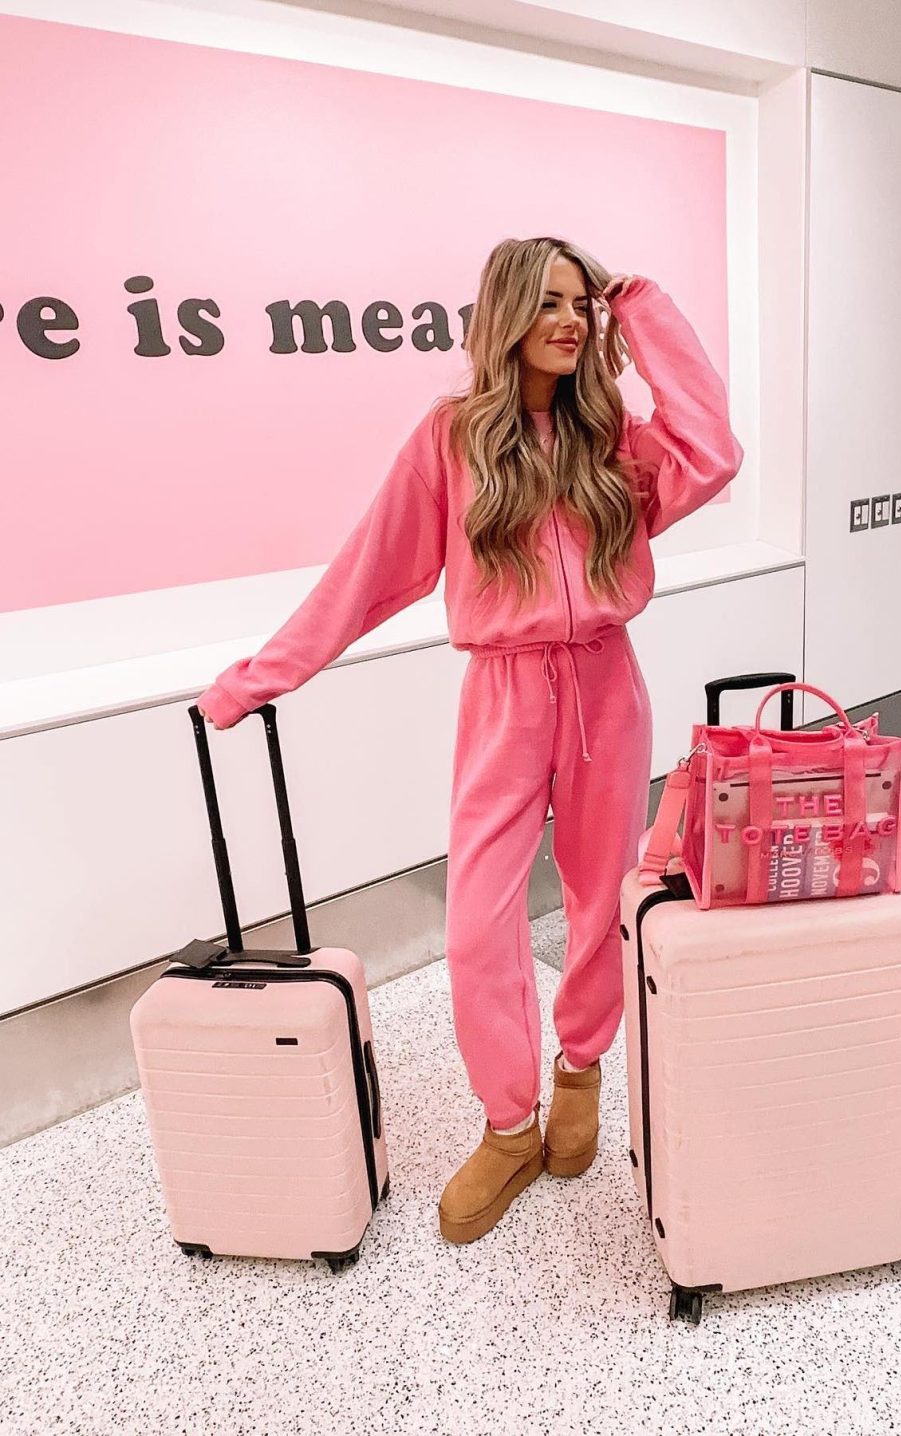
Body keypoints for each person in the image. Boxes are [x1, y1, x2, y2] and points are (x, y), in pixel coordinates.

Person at [196, 235, 744, 1244]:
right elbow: (364, 575)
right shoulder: (450, 439)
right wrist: (253, 679)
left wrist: (646, 305)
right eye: (549, 303)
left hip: (606, 692)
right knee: (477, 923)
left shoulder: (613, 440)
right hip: (502, 696)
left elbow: (714, 448)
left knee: (597, 901)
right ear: (505, 317)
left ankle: (579, 1066)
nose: (571, 320)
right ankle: (507, 1123)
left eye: (583, 302)